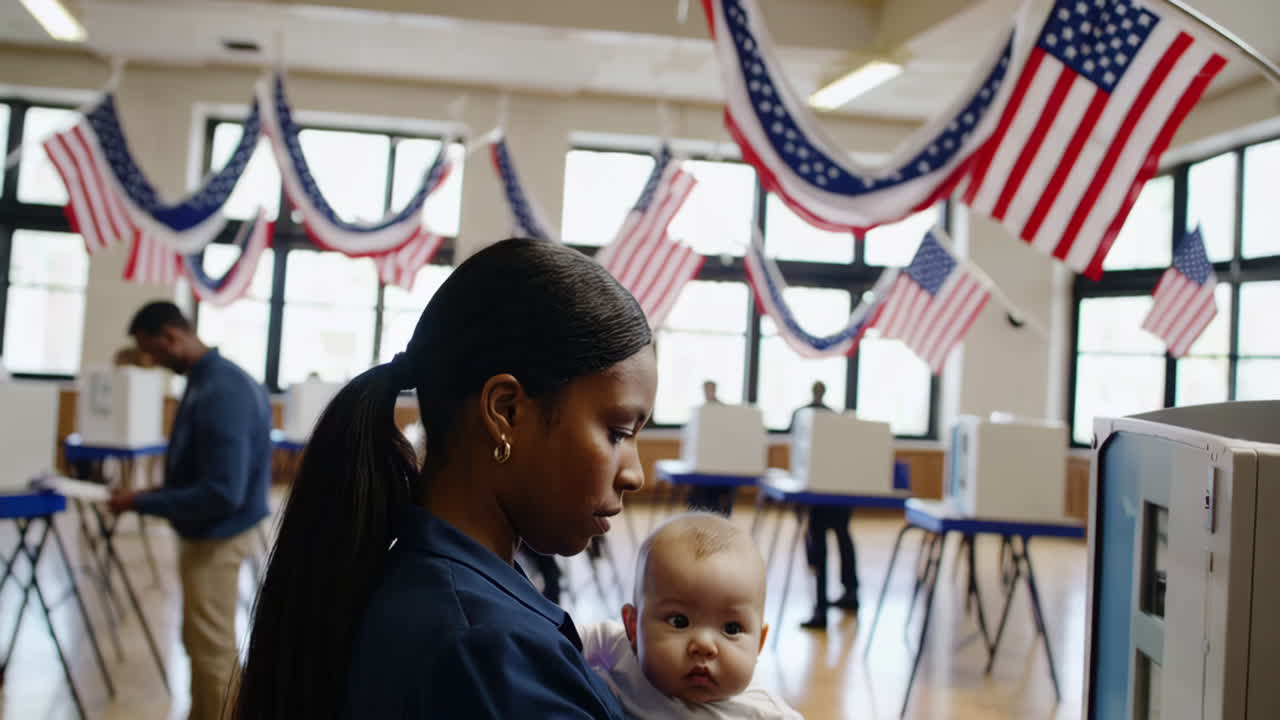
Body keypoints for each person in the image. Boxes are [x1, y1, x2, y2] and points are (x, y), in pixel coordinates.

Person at [232, 238, 657, 720]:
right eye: (618, 432)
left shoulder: (436, 590)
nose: (636, 474)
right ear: (506, 411)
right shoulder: (487, 653)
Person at [108, 301, 271, 720]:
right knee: (200, 642)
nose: (154, 361)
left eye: (155, 350)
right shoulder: (210, 379)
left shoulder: (221, 390)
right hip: (212, 531)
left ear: (172, 335)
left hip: (218, 535)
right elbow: (207, 470)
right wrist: (160, 490)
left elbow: (221, 492)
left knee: (211, 650)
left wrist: (142, 501)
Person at [582, 513, 801, 719]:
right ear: (632, 627)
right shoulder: (619, 649)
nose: (704, 645)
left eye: (732, 629)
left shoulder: (765, 714)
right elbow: (558, 638)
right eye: (679, 622)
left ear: (759, 643)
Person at [788, 381, 860, 630]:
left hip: (824, 489)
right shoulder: (826, 416)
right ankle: (844, 594)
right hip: (832, 487)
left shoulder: (814, 415)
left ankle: (829, 603)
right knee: (836, 539)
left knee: (828, 542)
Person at [687, 379, 735, 515]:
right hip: (703, 462)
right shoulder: (700, 411)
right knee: (698, 494)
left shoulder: (724, 411)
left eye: (710, 389)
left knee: (718, 495)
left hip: (720, 462)